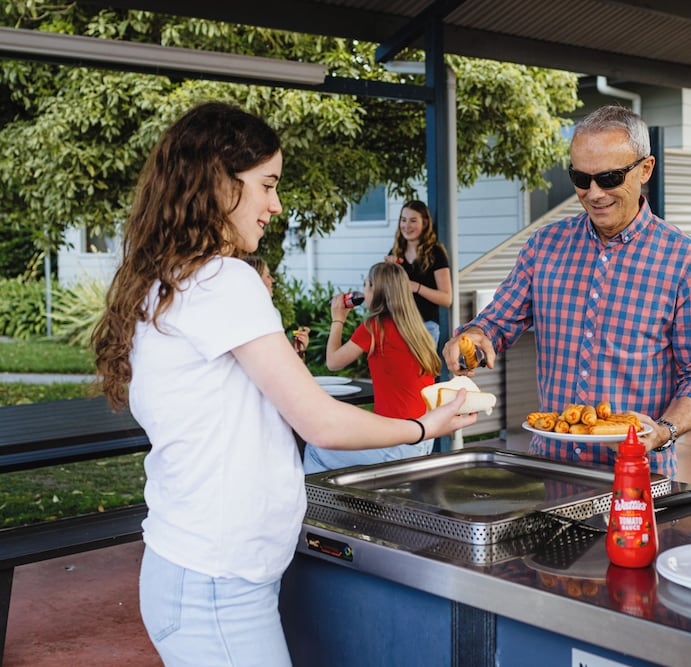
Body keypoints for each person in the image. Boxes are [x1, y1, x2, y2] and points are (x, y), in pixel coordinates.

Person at [90, 101, 476, 667]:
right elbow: (317, 419)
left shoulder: (170, 279)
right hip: (218, 588)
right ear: (220, 183)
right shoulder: (223, 279)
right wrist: (425, 426)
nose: (276, 204)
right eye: (266, 185)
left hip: (201, 575)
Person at [442, 105, 691, 478]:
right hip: (550, 469)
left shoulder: (686, 259)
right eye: (580, 177)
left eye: (608, 178)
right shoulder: (544, 246)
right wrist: (472, 339)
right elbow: (495, 324)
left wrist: (664, 430)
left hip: (638, 473)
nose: (593, 193)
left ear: (645, 169)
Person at [303, 261, 440, 472]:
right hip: (422, 438)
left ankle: (313, 505)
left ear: (377, 291)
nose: (364, 291)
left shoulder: (375, 327)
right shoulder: (418, 332)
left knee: (316, 446)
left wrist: (337, 319)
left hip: (395, 443)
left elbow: (332, 362)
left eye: (367, 285)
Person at [385, 199, 452, 344]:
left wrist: (417, 287)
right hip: (399, 325)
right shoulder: (395, 253)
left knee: (421, 368)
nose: (406, 226)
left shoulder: (436, 252)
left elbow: (446, 299)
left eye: (413, 220)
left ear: (425, 223)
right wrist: (388, 272)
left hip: (425, 328)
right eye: (403, 220)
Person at [243, 254, 309, 358]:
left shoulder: (273, 313)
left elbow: (278, 358)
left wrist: (297, 350)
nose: (272, 280)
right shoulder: (250, 318)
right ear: (255, 281)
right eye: (267, 276)